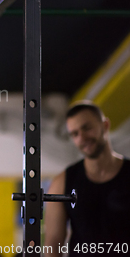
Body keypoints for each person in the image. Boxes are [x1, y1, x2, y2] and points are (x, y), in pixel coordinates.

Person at [44, 101, 130, 256]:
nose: (82, 137)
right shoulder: (62, 183)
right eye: (75, 134)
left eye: (87, 128)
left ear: (105, 125)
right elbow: (53, 243)